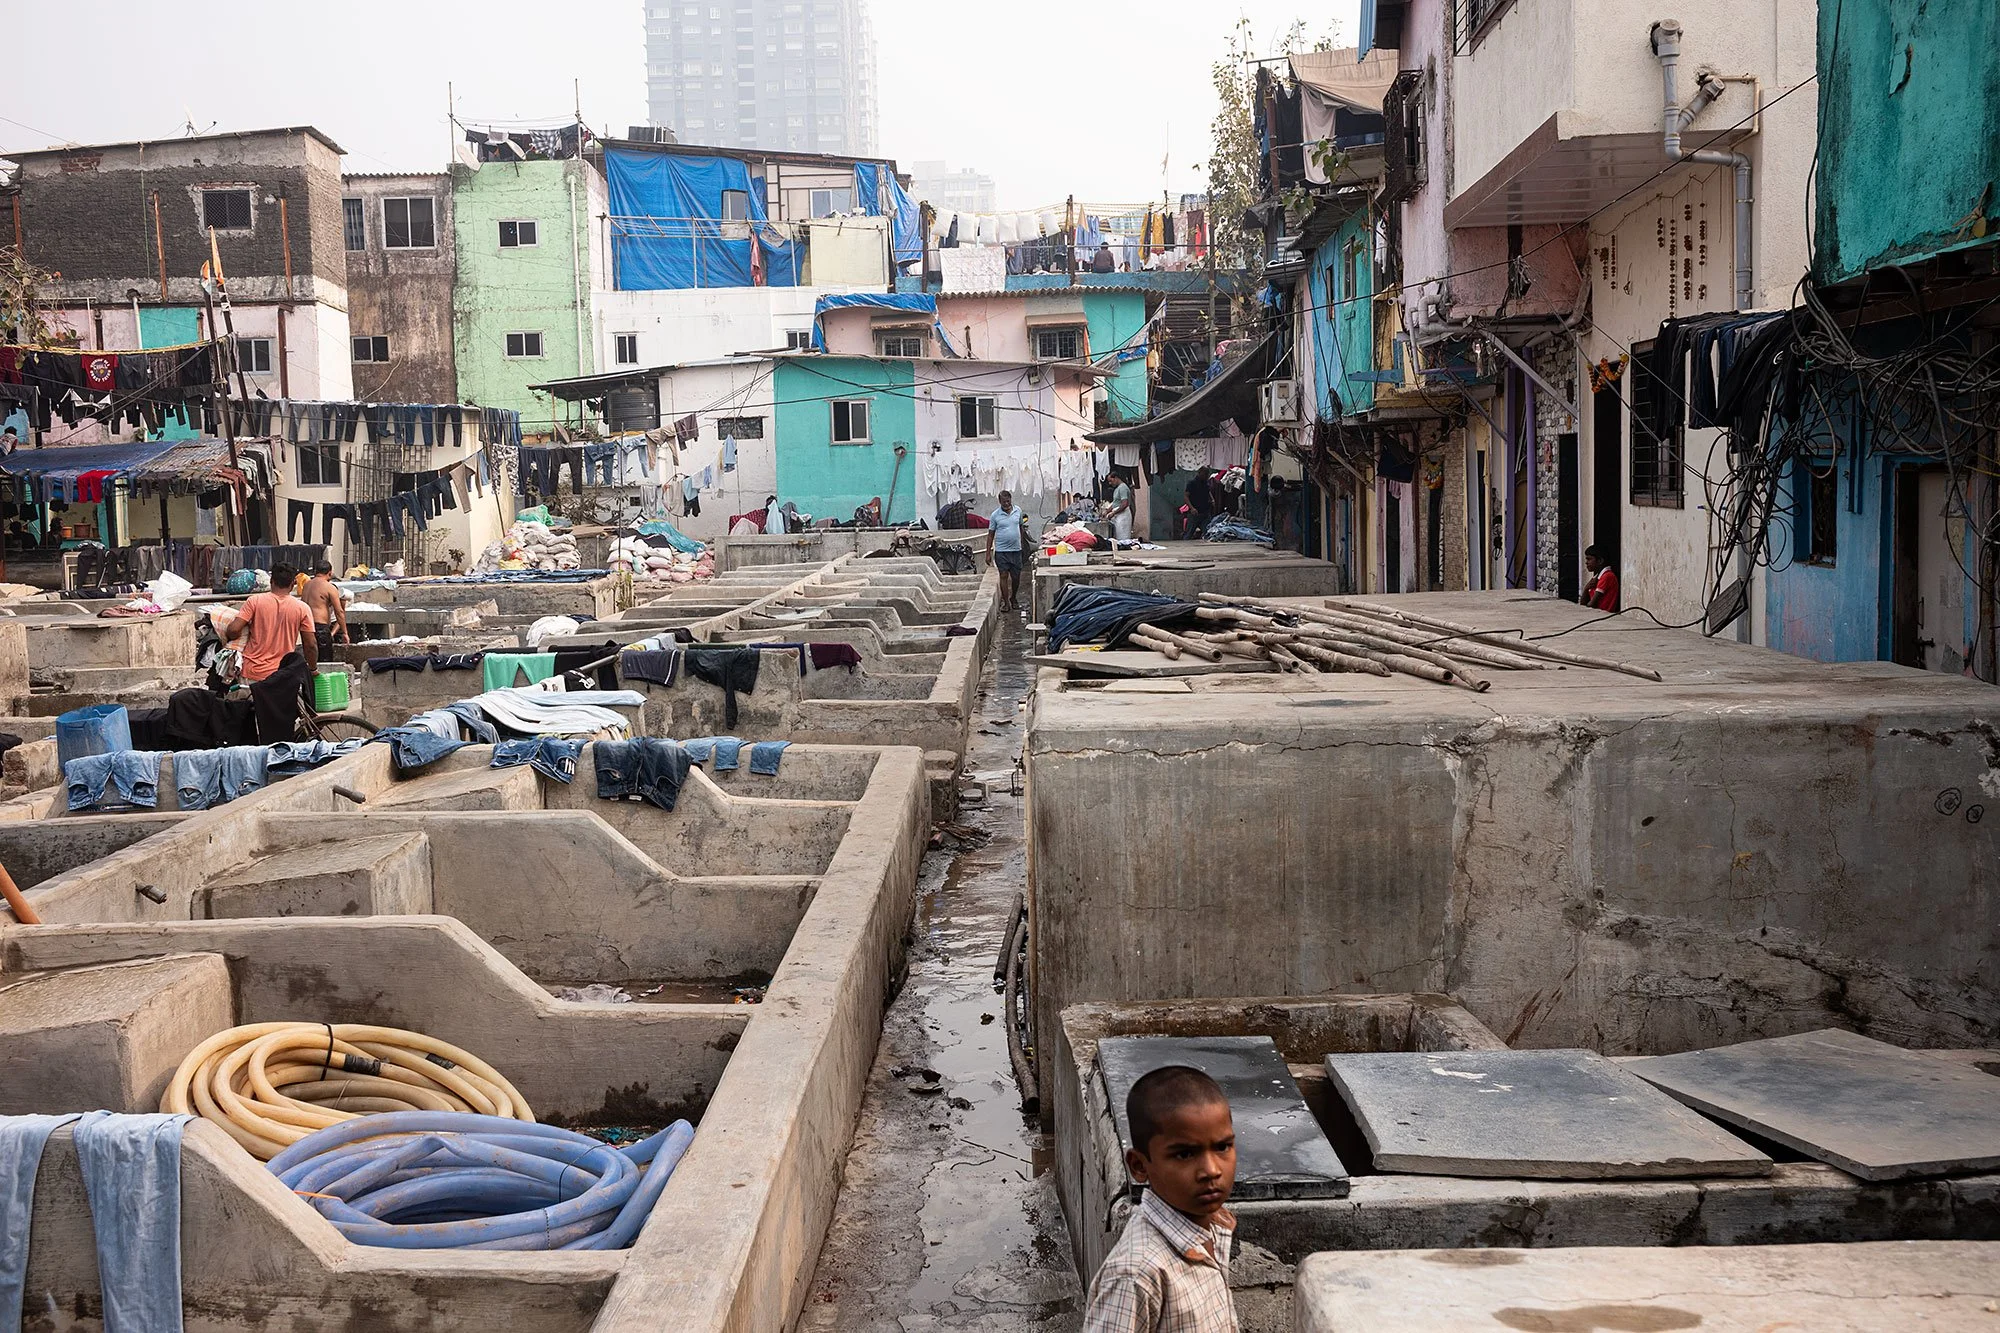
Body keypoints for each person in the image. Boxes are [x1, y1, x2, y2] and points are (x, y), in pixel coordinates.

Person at [1082, 1065, 1239, 1333]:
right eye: (1185, 1154)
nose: (1212, 1170)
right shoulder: (1137, 1274)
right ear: (1139, 1166)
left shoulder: (1209, 1228)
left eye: (1222, 1147)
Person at [224, 562, 318, 682]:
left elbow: (233, 630)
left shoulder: (254, 601)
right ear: (293, 583)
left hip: (252, 672)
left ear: (271, 581)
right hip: (283, 674)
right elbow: (310, 644)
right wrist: (313, 668)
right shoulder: (302, 608)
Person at [986, 489, 1027, 614]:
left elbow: (1021, 527)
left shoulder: (1018, 511)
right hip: (1002, 551)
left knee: (1016, 577)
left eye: (1008, 501)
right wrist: (988, 553)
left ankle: (1013, 597)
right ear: (1000, 502)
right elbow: (990, 534)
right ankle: (1006, 603)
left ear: (1011, 500)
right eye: (1004, 502)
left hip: (1016, 550)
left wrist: (1023, 544)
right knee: (1003, 576)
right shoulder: (995, 515)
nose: (1006, 504)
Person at [302, 560, 349, 655]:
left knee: (309, 659)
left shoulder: (306, 585)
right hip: (320, 628)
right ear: (330, 573)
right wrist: (345, 633)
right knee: (324, 660)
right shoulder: (329, 587)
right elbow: (339, 612)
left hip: (305, 626)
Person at [1581, 544, 1621, 613]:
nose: (1586, 562)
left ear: (1600, 561)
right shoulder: (1597, 577)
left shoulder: (1607, 576)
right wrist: (1586, 588)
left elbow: (1592, 604)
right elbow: (1583, 603)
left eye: (1589, 559)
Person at [1183, 469, 1217, 539]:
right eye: (1205, 474)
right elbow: (1186, 496)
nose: (1206, 476)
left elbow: (1208, 491)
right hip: (1195, 513)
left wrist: (1212, 499)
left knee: (1208, 533)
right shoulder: (1192, 483)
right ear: (1199, 473)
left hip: (1205, 512)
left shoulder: (1206, 483)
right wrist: (1192, 508)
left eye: (1207, 475)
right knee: (1188, 534)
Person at [1105, 470, 1134, 543]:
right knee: (1118, 538)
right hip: (1118, 516)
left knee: (1123, 538)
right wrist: (1107, 511)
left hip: (1123, 516)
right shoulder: (1117, 489)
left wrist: (1113, 513)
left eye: (1111, 481)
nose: (1110, 483)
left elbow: (1124, 504)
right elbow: (1115, 503)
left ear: (1116, 478)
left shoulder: (1123, 488)